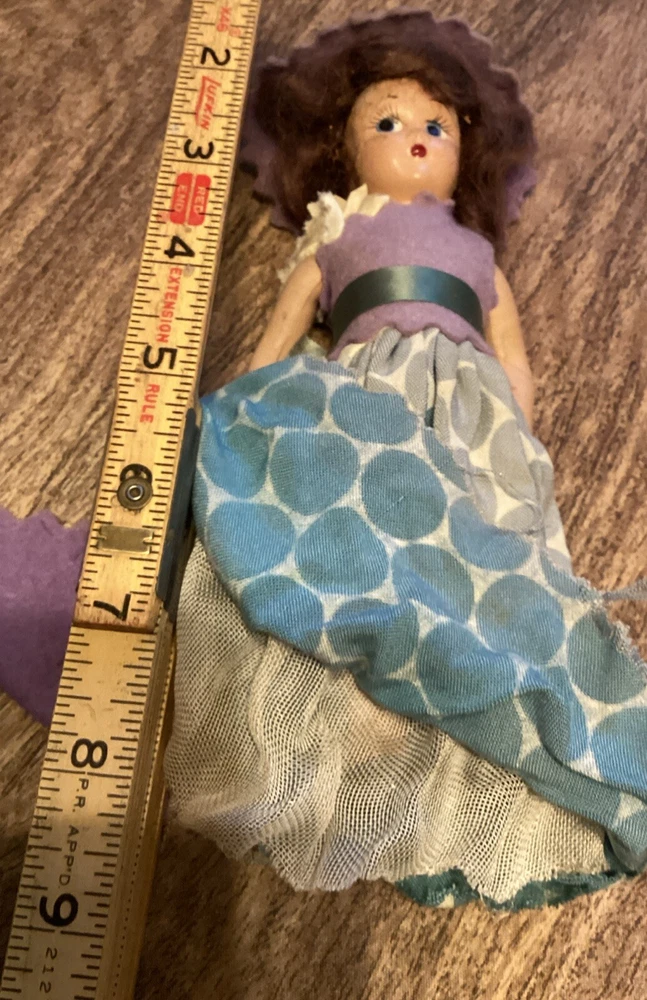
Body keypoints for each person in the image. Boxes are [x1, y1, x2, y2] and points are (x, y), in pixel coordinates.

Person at [164, 11, 647, 911]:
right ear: (345, 151)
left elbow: (513, 357)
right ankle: (363, 700)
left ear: (468, 150)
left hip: (470, 408)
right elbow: (279, 336)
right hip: (365, 396)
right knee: (366, 530)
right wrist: (249, 407)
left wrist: (518, 433)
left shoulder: (476, 254)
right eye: (385, 122)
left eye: (436, 125)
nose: (414, 136)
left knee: (481, 541)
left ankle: (472, 694)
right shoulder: (338, 235)